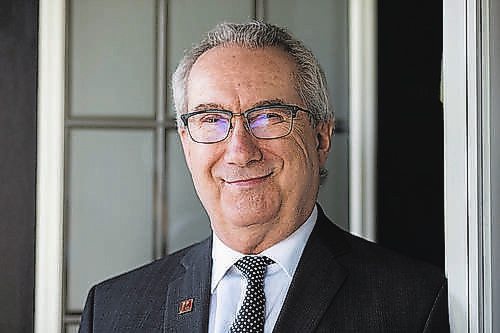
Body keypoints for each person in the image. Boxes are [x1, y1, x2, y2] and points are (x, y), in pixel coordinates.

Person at [79, 21, 449, 332]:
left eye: (269, 116)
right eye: (212, 120)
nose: (240, 150)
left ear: (321, 137)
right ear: (186, 142)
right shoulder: (112, 311)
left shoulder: (414, 304)